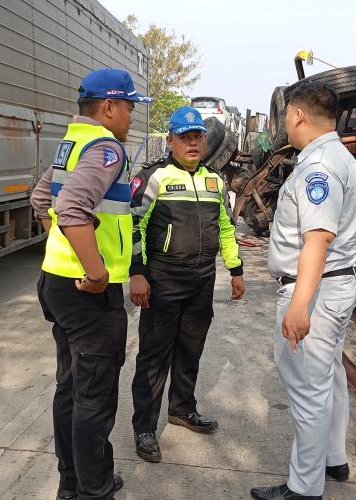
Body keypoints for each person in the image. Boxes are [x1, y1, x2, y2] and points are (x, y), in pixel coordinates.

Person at [30, 68, 152, 500]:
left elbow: (41, 199)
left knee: (70, 389)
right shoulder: (107, 148)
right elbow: (72, 210)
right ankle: (94, 491)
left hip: (58, 284)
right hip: (88, 293)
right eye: (130, 107)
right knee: (94, 399)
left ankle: (73, 483)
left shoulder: (71, 143)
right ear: (109, 107)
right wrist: (96, 272)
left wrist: (62, 249)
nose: (132, 117)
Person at [250, 81, 356, 500]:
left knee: (309, 389)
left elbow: (317, 239)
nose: (285, 123)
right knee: (328, 377)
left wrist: (299, 306)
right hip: (334, 283)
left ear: (298, 115)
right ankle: (332, 458)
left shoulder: (319, 167)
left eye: (286, 115)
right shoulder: (337, 156)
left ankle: (304, 487)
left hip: (315, 289)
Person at [128, 106, 245, 463]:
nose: (192, 143)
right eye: (185, 137)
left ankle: (182, 408)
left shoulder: (214, 181)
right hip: (162, 280)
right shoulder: (155, 177)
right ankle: (145, 428)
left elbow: (226, 226)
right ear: (171, 140)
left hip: (202, 280)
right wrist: (137, 272)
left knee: (190, 350)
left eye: (197, 137)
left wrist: (235, 268)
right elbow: (133, 226)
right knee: (154, 357)